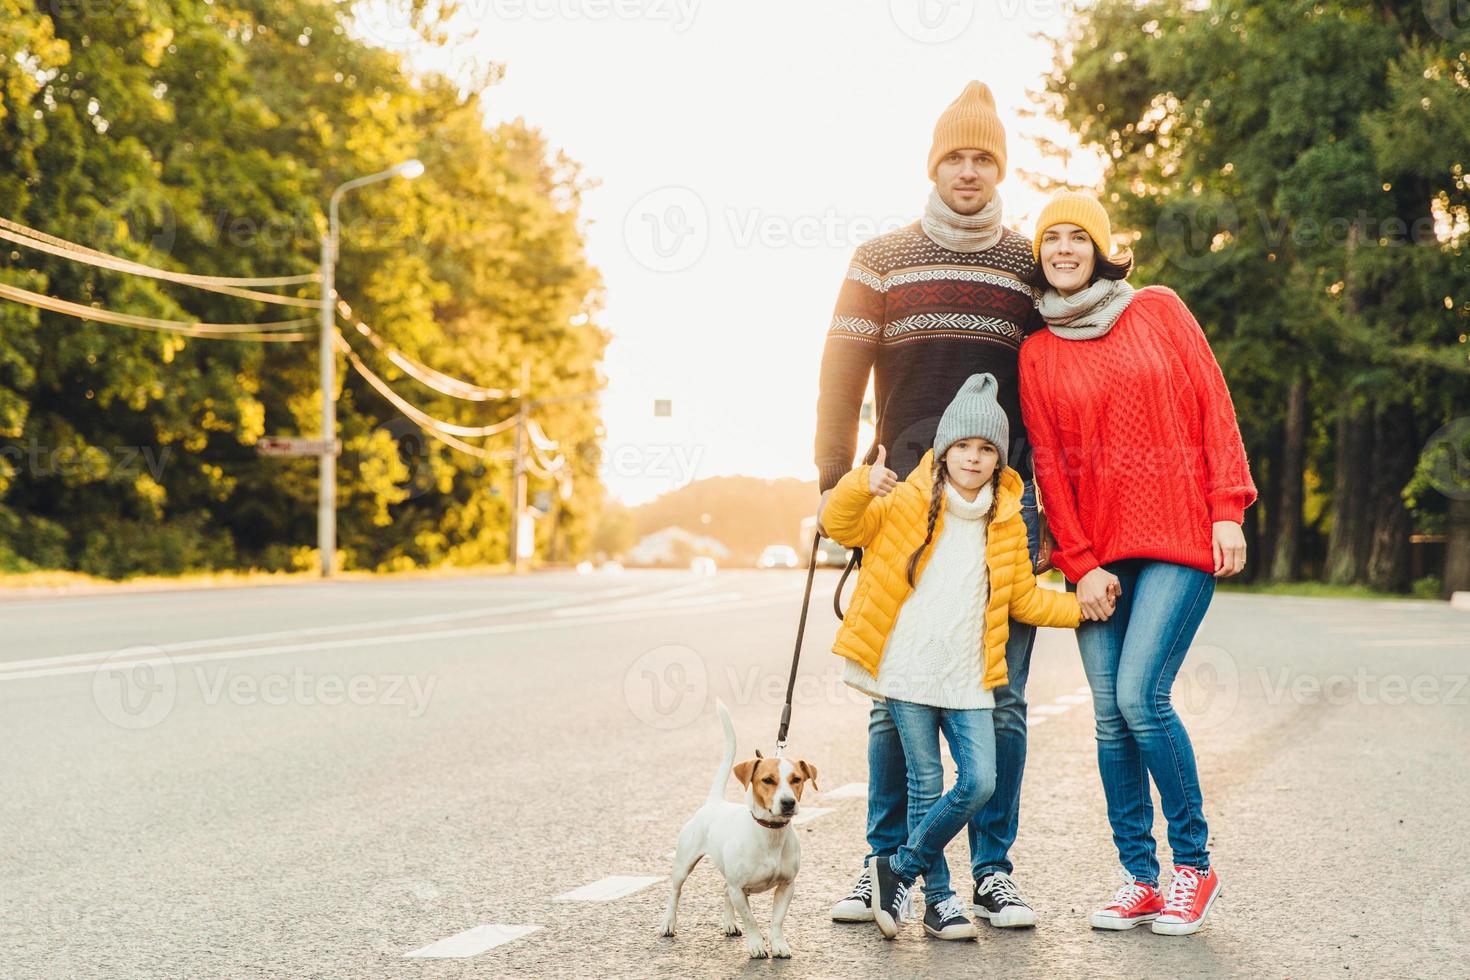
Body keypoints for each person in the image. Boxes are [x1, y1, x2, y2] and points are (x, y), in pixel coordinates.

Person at [815, 80, 1056, 930]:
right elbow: (839, 380)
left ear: (999, 169)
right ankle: (886, 862)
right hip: (901, 507)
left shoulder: (1029, 268)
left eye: (982, 157)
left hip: (1007, 511)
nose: (968, 170)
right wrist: (831, 483)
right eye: (954, 156)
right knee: (896, 695)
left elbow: (1062, 386)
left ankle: (991, 870)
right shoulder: (881, 259)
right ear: (932, 164)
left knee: (1003, 697)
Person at [1019, 191, 1257, 936]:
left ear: (1098, 247)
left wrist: (1229, 508)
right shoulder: (1037, 350)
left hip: (1182, 536)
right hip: (1097, 561)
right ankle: (1140, 879)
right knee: (1109, 722)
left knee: (1139, 699)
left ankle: (1194, 865)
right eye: (1050, 238)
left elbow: (1212, 405)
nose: (1063, 248)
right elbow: (1050, 468)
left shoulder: (1157, 308)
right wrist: (1079, 563)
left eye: (1076, 236)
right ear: (1040, 254)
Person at [822, 373, 1091, 940]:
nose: (973, 457)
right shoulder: (900, 502)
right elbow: (839, 524)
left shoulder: (1006, 522)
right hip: (907, 669)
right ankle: (939, 901)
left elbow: (1022, 599)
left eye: (986, 448)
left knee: (979, 782)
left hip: (969, 677)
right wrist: (856, 486)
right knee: (924, 781)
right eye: (964, 446)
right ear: (944, 451)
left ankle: (898, 869)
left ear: (999, 459)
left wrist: (1085, 608)